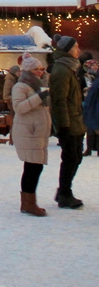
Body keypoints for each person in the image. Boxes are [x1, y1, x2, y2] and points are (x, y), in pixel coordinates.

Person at [11, 56, 51, 216]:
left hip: (36, 133)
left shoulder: (37, 85)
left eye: (41, 69)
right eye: (36, 69)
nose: (40, 72)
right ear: (28, 71)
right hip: (28, 132)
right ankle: (29, 203)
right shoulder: (20, 86)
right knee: (33, 167)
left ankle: (29, 202)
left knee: (33, 166)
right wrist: (38, 98)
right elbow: (19, 107)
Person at [49, 36, 85, 208]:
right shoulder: (61, 71)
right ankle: (64, 193)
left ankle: (64, 190)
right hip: (69, 123)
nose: (79, 49)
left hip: (76, 120)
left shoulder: (69, 68)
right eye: (76, 47)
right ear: (68, 50)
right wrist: (63, 125)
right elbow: (59, 101)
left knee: (76, 157)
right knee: (70, 158)